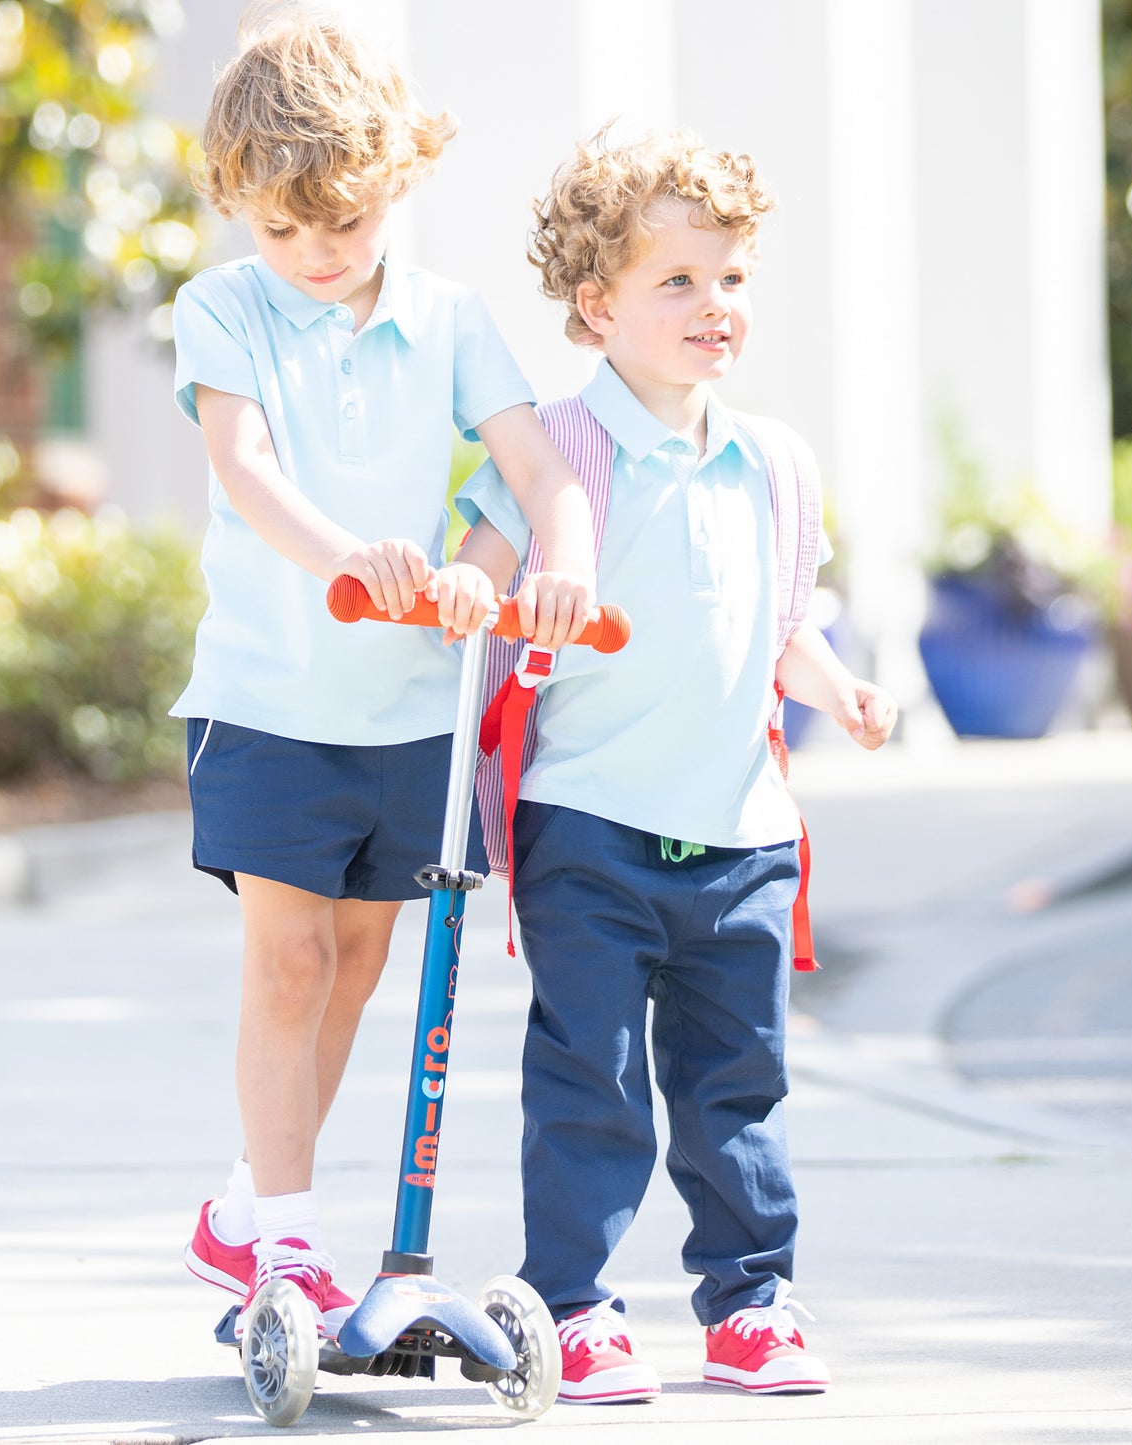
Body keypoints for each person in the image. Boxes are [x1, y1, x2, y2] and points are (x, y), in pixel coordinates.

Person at [170, 5, 597, 1340]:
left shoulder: (451, 319)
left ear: (395, 184)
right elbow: (245, 471)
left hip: (415, 712)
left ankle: (244, 1208)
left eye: (340, 227)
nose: (310, 255)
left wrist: (556, 558)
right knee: (287, 965)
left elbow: (535, 471)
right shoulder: (224, 307)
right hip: (270, 702)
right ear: (243, 206)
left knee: (357, 970)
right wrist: (357, 557)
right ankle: (287, 1246)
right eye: (281, 227)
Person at [454, 129, 897, 1402]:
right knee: (588, 1079)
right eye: (678, 281)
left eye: (733, 278)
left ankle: (750, 1299)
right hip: (586, 823)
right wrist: (487, 599)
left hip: (740, 829)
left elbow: (782, 628)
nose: (715, 307)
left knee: (735, 1086)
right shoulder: (554, 450)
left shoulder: (774, 462)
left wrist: (839, 687)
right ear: (596, 307)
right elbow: (473, 589)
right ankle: (575, 1302)